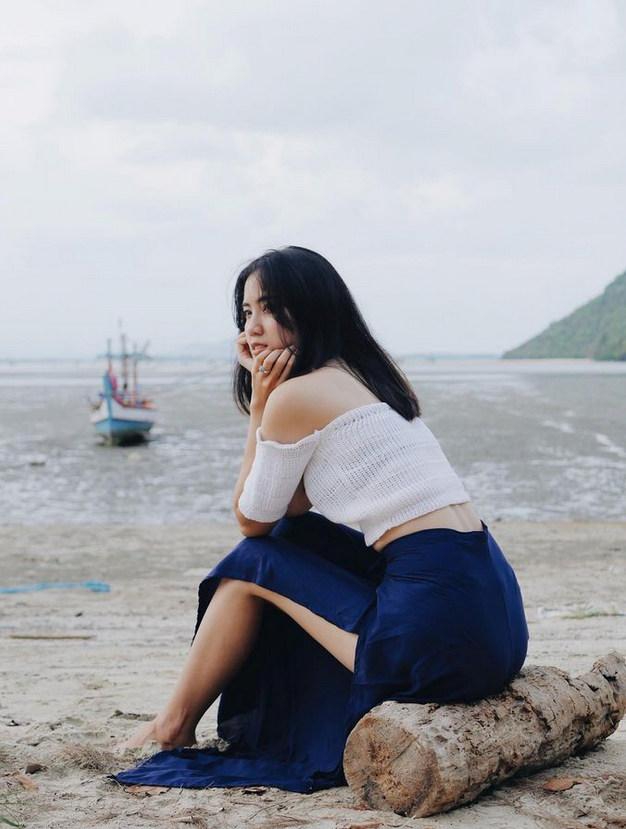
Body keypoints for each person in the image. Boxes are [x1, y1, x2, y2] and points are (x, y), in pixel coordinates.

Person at [111, 245, 529, 793]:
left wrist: (261, 407)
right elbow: (293, 509)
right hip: (495, 626)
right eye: (245, 313)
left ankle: (172, 726)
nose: (252, 329)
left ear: (310, 310)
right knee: (294, 538)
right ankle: (185, 720)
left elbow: (250, 521)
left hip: (431, 644)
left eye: (268, 308)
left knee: (248, 564)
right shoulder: (370, 380)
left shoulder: (297, 398)